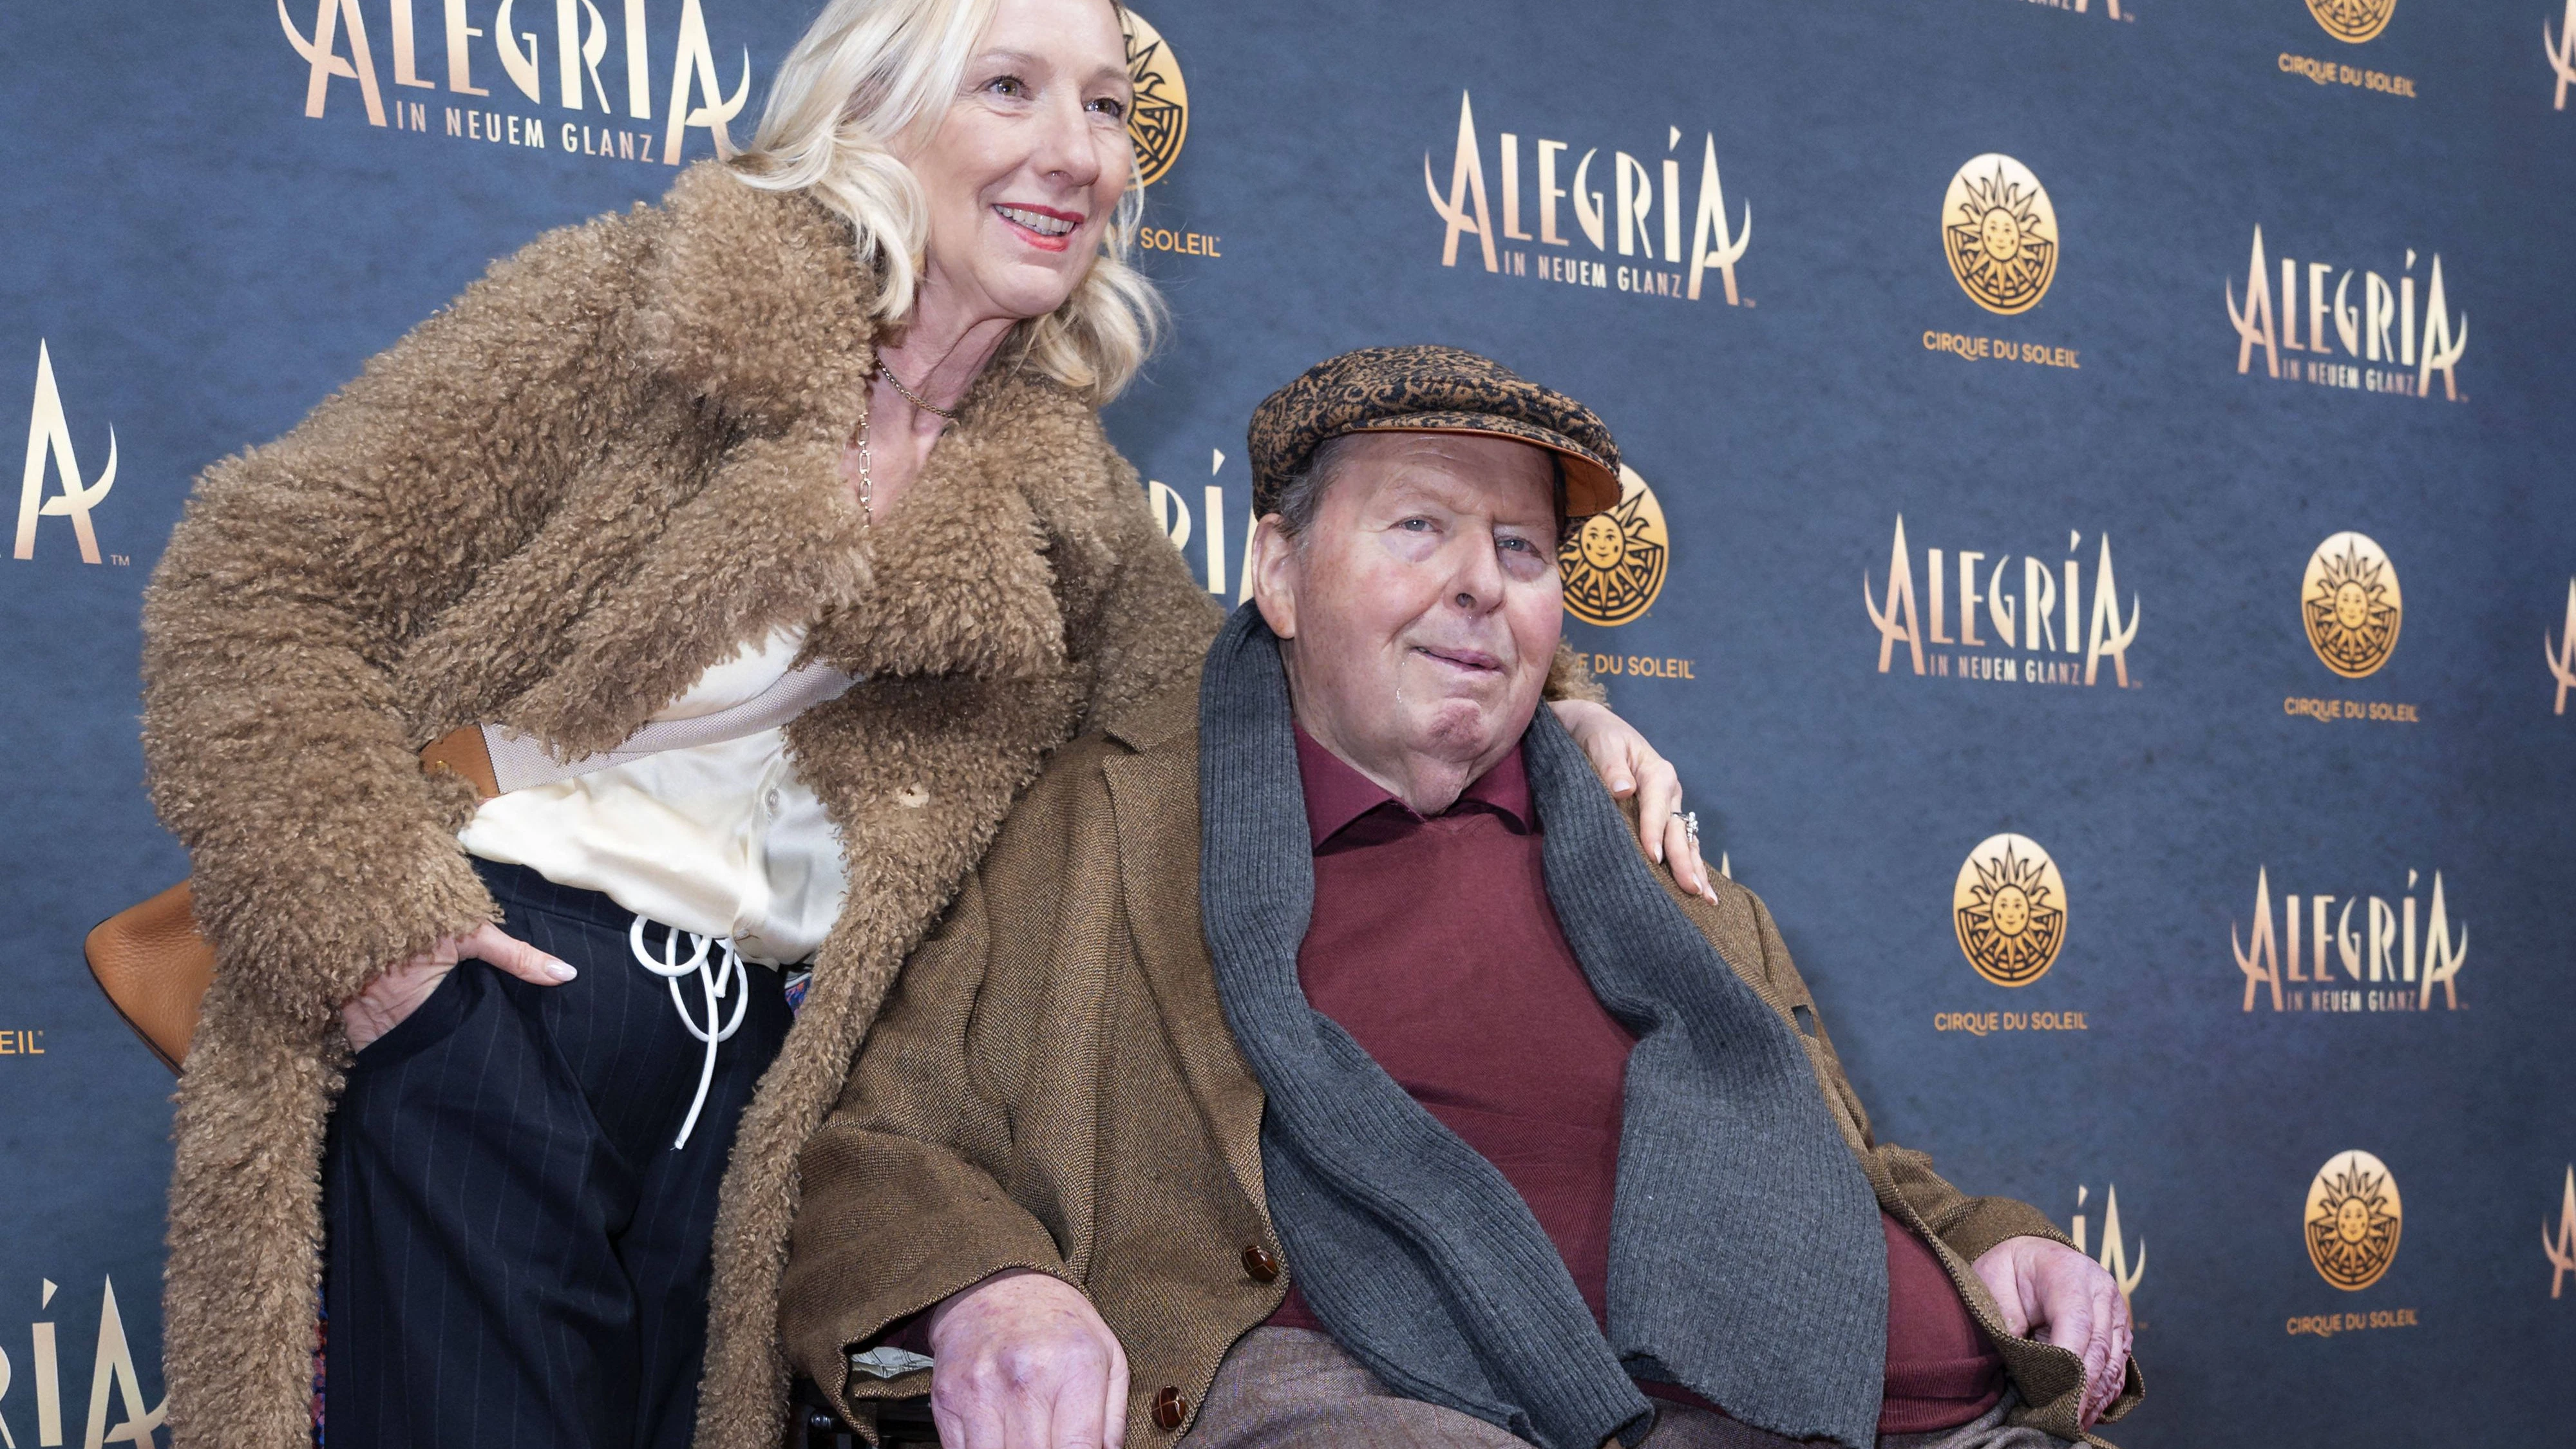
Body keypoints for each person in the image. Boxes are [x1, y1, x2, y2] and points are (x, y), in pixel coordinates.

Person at [136, 6, 1696, 1446]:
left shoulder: (1053, 485)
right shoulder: (636, 305)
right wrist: (384, 950)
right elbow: (255, 571)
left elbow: (1244, 689)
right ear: (873, 110)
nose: (1074, 149)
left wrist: (1550, 715)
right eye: (1005, 86)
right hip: (497, 979)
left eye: (1101, 105)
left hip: (757, 1081)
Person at [777, 346, 2144, 1449]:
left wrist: (1988, 1246)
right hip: (1381, 1396)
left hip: (1905, 1403)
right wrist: (981, 1291)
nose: (1479, 584)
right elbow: (874, 1140)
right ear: (1276, 573)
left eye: (1521, 548)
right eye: (1418, 526)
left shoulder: (1638, 842)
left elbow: (1811, 1152)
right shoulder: (1096, 827)